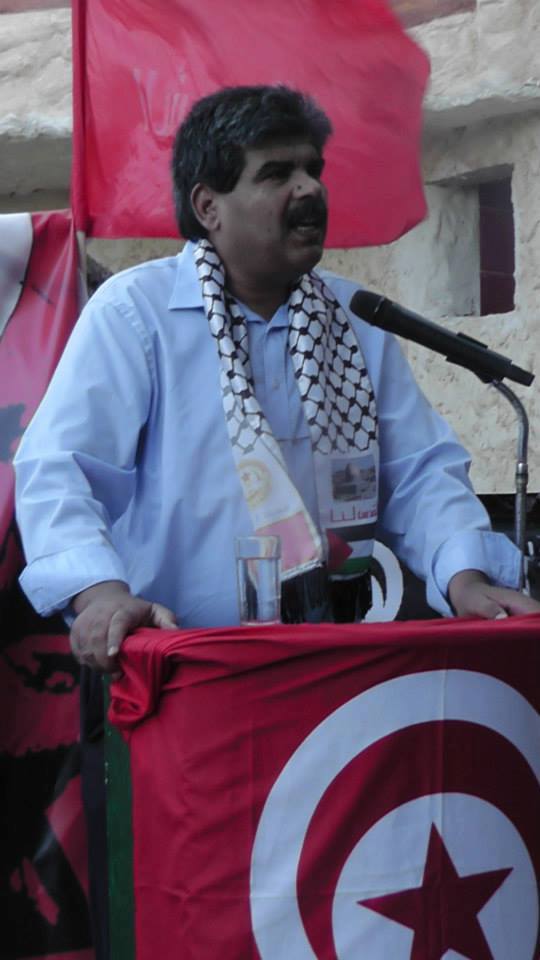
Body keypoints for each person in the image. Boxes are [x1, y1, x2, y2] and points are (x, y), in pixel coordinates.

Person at [13, 83, 539, 960]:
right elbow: (59, 471)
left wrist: (465, 574)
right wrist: (100, 593)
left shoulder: (355, 323)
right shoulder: (139, 315)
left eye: (313, 170)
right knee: (195, 918)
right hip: (183, 694)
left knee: (322, 914)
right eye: (276, 173)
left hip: (329, 684)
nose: (308, 190)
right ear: (207, 206)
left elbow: (419, 474)